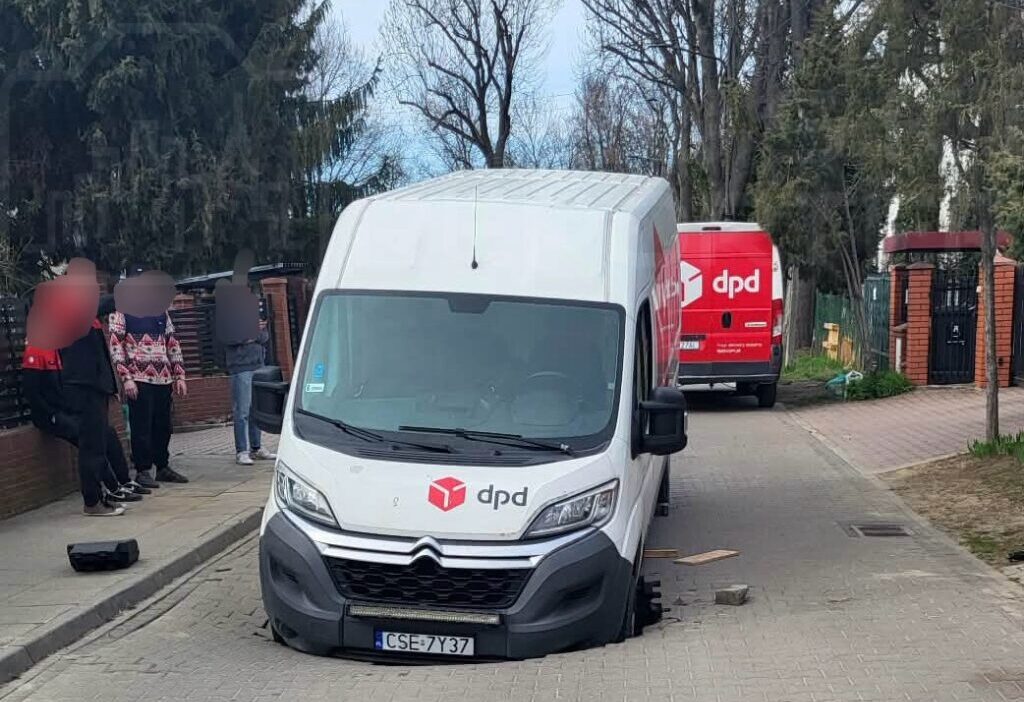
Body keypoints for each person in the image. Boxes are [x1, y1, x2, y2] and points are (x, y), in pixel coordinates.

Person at [54, 260, 129, 516]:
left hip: (94, 386)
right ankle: (92, 502)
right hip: (82, 386)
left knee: (97, 445)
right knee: (91, 447)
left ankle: (100, 497)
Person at [109, 274, 189, 487]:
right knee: (141, 426)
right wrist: (126, 378)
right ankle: (143, 470)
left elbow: (173, 344)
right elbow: (116, 348)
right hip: (139, 379)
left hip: (163, 379)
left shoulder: (161, 312)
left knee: (163, 425)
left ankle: (162, 466)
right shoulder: (122, 313)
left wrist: (179, 375)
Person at [217, 251, 276, 466]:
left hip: (257, 364)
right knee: (241, 409)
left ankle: (257, 447)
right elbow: (228, 337)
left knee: (255, 409)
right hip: (240, 367)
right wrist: (249, 334)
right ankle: (242, 450)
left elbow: (264, 336)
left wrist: (252, 334)